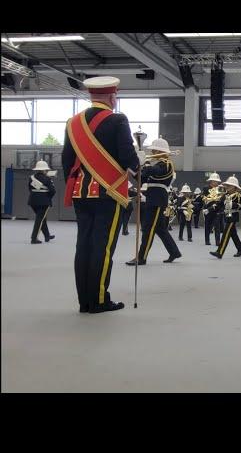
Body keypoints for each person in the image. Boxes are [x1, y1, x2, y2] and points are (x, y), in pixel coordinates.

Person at [62, 76, 139, 313]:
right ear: (112, 96)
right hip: (109, 191)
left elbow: (67, 159)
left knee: (83, 245)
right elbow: (127, 157)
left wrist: (75, 187)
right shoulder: (117, 119)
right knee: (103, 247)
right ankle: (99, 300)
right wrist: (138, 165)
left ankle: (84, 301)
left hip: (80, 192)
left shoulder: (72, 122)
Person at [126, 138, 182, 266]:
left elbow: (155, 171)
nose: (152, 152)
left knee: (148, 229)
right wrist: (134, 167)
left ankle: (141, 257)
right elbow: (141, 178)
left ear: (159, 150)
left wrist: (144, 163)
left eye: (154, 150)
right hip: (153, 197)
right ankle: (174, 252)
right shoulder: (156, 164)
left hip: (157, 198)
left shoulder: (166, 163)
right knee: (160, 229)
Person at [210, 175, 241, 259]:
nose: (228, 186)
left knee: (226, 234)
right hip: (227, 215)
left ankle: (220, 252)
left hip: (233, 216)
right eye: (227, 185)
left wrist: (234, 205)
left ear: (235, 187)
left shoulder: (237, 196)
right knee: (233, 234)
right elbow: (218, 205)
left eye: (230, 185)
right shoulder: (225, 195)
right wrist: (209, 209)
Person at [28, 160, 56, 244]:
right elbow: (53, 191)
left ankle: (47, 235)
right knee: (39, 220)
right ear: (44, 170)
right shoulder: (47, 178)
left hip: (32, 201)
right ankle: (34, 238)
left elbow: (29, 189)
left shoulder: (31, 177)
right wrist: (48, 198)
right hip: (44, 202)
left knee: (41, 218)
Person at [202, 173, 223, 246]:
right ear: (211, 181)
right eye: (215, 181)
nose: (216, 182)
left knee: (217, 226)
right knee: (207, 225)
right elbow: (204, 199)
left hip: (217, 210)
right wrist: (206, 208)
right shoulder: (206, 188)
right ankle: (207, 240)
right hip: (208, 209)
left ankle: (218, 242)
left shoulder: (220, 189)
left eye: (217, 181)